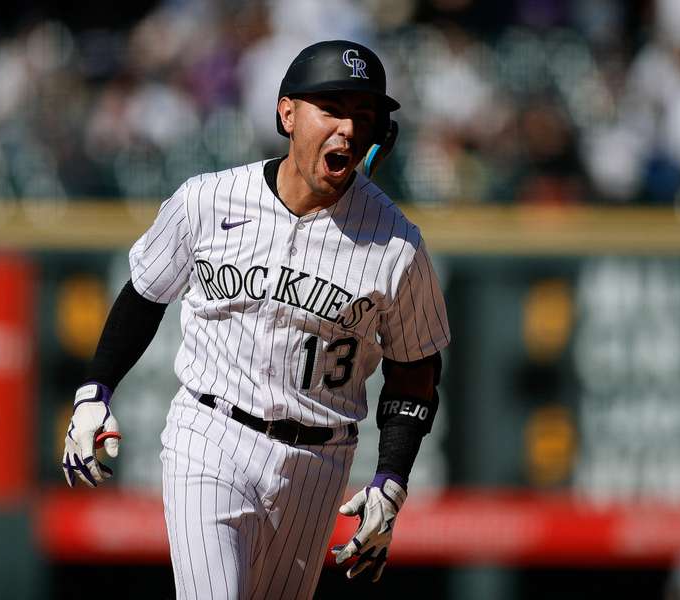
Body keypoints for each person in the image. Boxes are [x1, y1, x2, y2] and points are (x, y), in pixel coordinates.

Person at [61, 39, 450, 599]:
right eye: (332, 109)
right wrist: (94, 390)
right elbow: (146, 293)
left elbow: (416, 368)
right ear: (287, 113)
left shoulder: (396, 245)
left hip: (320, 460)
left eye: (363, 116)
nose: (347, 127)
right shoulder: (209, 200)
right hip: (210, 433)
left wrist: (391, 479)